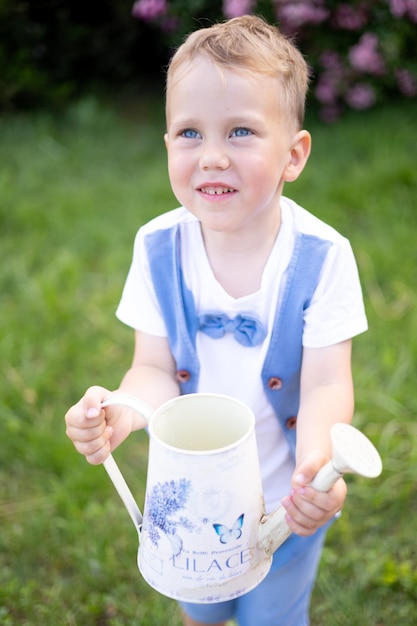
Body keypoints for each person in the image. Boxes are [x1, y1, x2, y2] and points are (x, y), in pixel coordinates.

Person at [65, 14, 368, 626]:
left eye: (239, 132)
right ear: (167, 143)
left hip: (281, 499)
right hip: (190, 501)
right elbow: (152, 368)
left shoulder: (323, 258)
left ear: (294, 154)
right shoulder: (157, 247)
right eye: (188, 133)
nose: (211, 157)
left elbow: (328, 385)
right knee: (201, 611)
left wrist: (315, 467)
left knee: (272, 619)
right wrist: (124, 411)